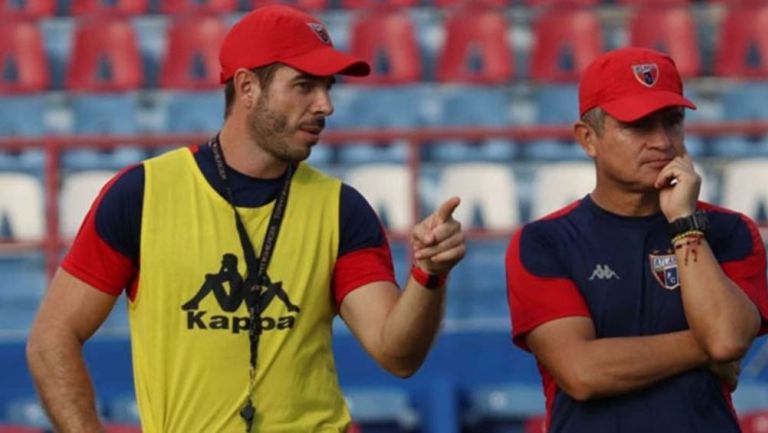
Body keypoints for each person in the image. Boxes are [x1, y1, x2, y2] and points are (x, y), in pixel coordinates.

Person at [26, 6, 466, 433]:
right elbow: (52, 337)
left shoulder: (341, 208)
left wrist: (428, 275)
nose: (325, 105)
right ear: (248, 86)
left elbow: (397, 354)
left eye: (328, 87)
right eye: (305, 86)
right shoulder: (142, 194)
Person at [506, 47, 768, 433]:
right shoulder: (545, 242)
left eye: (672, 121)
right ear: (588, 139)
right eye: (639, 125)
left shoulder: (730, 231)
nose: (662, 141)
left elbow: (727, 341)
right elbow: (582, 371)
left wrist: (684, 221)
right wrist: (704, 347)